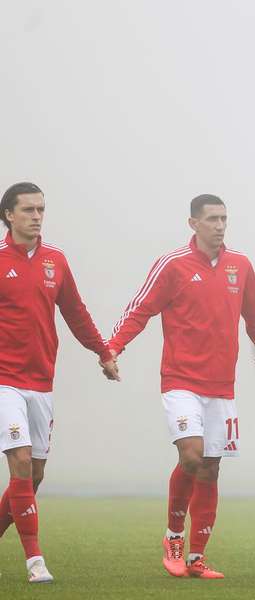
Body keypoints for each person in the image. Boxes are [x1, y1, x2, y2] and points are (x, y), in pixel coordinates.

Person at [108, 194, 255, 579]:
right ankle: (173, 538)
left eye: (224, 219)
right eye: (212, 219)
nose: (220, 226)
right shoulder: (173, 265)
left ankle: (196, 556)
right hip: (181, 380)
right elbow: (141, 309)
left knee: (211, 469)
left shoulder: (241, 266)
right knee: (192, 456)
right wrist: (113, 348)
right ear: (193, 223)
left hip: (222, 386)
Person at [0, 182, 118, 583]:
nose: (36, 216)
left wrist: (103, 352)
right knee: (18, 461)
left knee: (32, 476)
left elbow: (76, 312)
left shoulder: (56, 261)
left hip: (41, 381)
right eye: (29, 210)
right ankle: (35, 561)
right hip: (5, 382)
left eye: (41, 210)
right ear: (9, 216)